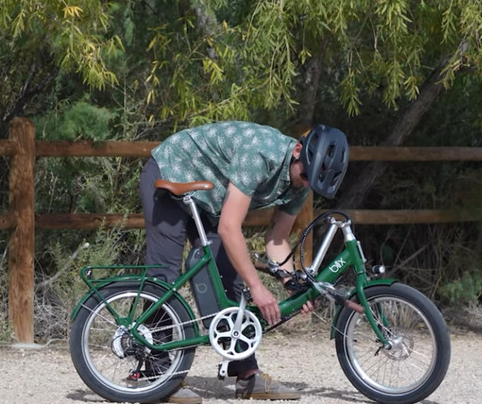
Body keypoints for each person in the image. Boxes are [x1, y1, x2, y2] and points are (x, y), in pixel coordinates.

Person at [139, 121, 349, 403]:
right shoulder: (261, 153)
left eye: (313, 181)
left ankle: (247, 374)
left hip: (207, 196)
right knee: (163, 275)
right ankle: (157, 374)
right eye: (306, 175)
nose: (306, 183)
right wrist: (258, 286)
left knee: (229, 276)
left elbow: (276, 239)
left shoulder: (300, 181)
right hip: (171, 170)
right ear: (298, 151)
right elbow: (229, 227)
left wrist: (293, 284)